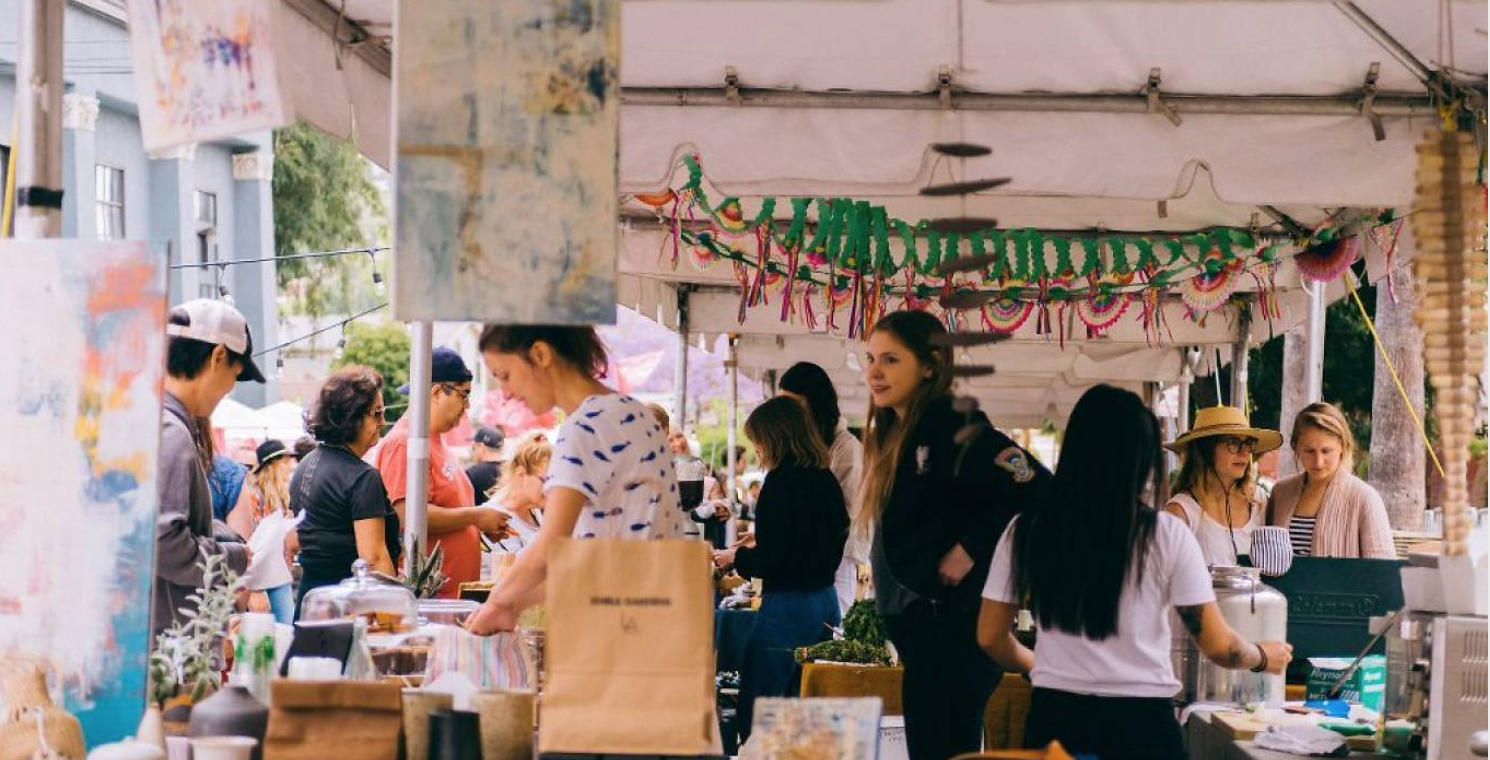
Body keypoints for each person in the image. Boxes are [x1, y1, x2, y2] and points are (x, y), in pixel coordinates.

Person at [979, 385, 1292, 760]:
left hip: (1055, 718)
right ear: (1142, 460)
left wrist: (1039, 664)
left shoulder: (1026, 530)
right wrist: (1262, 655)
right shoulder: (1166, 534)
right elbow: (1219, 646)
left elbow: (990, 637)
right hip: (1142, 726)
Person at [859, 309, 1053, 760]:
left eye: (890, 360)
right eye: (870, 358)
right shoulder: (902, 431)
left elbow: (1037, 484)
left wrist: (973, 545)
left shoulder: (956, 425)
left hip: (953, 636)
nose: (874, 372)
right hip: (927, 638)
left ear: (929, 365)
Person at [466, 325, 686, 634]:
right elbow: (599, 556)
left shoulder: (583, 428)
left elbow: (551, 546)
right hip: (658, 621)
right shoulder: (635, 414)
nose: (506, 393)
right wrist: (514, 605)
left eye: (505, 375)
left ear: (540, 354)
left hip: (616, 630)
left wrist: (498, 602)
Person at [713, 396, 847, 740]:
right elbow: (814, 540)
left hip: (789, 608)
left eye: (757, 439)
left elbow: (775, 560)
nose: (755, 449)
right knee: (806, 712)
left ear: (774, 437)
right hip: (825, 603)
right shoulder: (824, 477)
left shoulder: (779, 482)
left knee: (762, 713)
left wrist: (734, 558)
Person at [154, 299, 263, 638]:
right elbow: (163, 542)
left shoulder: (154, 421)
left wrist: (215, 529)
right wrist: (233, 556)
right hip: (173, 650)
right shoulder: (171, 431)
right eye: (235, 374)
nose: (229, 389)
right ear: (218, 357)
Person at [375, 347, 510, 598]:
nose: (467, 405)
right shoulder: (405, 444)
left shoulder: (435, 441)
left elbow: (449, 509)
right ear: (436, 391)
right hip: (433, 600)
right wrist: (475, 516)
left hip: (453, 597)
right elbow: (407, 515)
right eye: (464, 394)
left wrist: (479, 523)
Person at [293, 367, 401, 614]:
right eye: (376, 414)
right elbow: (373, 560)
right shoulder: (362, 477)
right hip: (349, 609)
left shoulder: (304, 466)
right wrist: (397, 615)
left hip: (310, 603)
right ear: (351, 416)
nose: (382, 422)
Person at [779, 361, 865, 617]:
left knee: (834, 630)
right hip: (810, 559)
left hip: (837, 559)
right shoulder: (802, 445)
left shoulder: (846, 448)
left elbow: (846, 513)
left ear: (814, 403)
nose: (787, 413)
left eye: (793, 405)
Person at [1268, 403, 1395, 558]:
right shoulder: (1281, 492)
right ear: (1296, 447)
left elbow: (1382, 571)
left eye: (1326, 451)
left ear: (1343, 446)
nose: (1318, 462)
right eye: (1309, 451)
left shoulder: (1364, 498)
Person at [1162, 406, 1282, 567]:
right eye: (1233, 442)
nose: (1245, 452)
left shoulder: (1259, 500)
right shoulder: (1181, 511)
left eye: (1248, 443)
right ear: (1205, 450)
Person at [228, 439, 300, 623]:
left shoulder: (279, 496)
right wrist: (254, 590)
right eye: (284, 461)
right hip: (261, 580)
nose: (289, 466)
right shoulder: (254, 495)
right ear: (271, 465)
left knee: (285, 634)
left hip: (277, 574)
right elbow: (250, 543)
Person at [490, 432, 552, 553]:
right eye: (547, 480)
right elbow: (511, 568)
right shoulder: (494, 518)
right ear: (521, 474)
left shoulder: (534, 510)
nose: (551, 488)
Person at [467, 425, 506, 504]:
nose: (473, 453)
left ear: (481, 447)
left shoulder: (471, 474)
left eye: (473, 448)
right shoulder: (514, 469)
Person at [208, 452, 249, 523]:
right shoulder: (230, 474)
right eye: (247, 466)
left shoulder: (230, 475)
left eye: (251, 467)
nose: (249, 470)